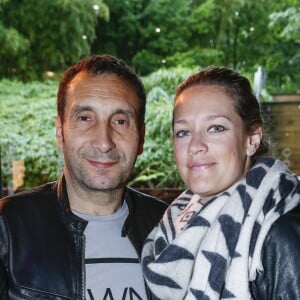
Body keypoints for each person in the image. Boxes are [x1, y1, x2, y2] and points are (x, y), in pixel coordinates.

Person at [0, 54, 167, 299]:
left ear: (141, 137)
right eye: (85, 118)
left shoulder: (167, 226)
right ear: (60, 132)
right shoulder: (9, 226)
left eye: (120, 121)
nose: (103, 142)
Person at [142, 66, 300, 299]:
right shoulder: (173, 224)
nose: (195, 145)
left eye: (216, 128)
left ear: (252, 140)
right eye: (183, 132)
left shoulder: (281, 234)